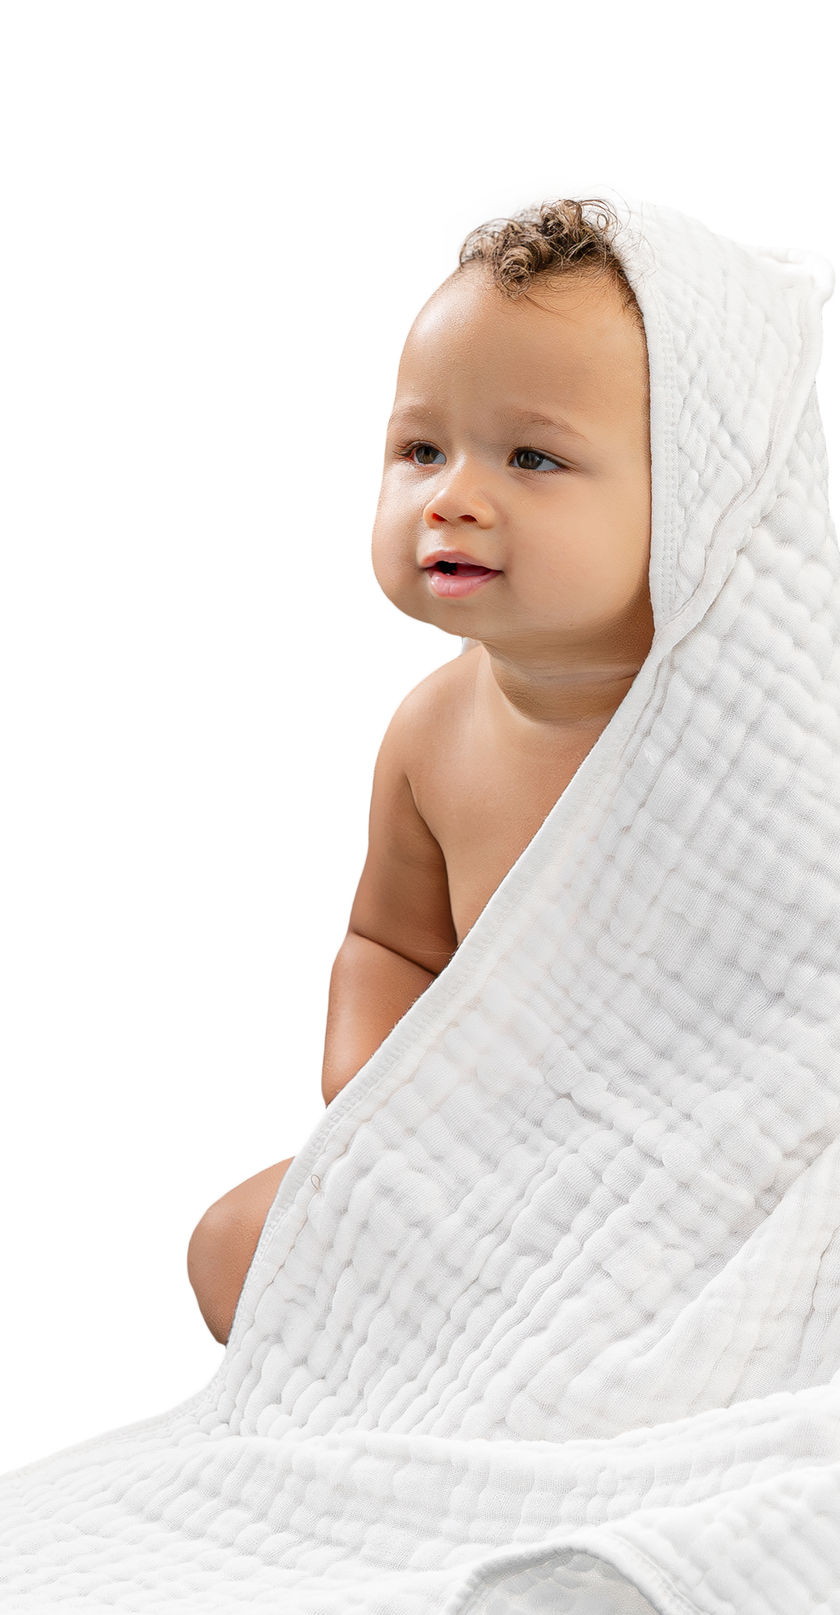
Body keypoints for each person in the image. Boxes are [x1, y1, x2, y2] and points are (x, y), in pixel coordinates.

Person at [186, 200, 653, 1342]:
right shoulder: (432, 733)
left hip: (682, 1175)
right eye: (421, 449)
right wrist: (378, 1087)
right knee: (232, 1245)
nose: (451, 496)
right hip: (484, 1165)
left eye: (531, 456)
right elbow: (390, 943)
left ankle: (592, 1368)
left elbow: (836, 995)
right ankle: (498, 1368)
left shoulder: (742, 732)